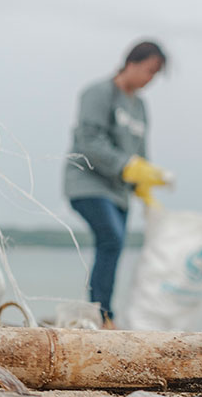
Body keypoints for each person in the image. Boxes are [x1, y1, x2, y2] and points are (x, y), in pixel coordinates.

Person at [63, 40, 171, 328]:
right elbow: (89, 141)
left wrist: (146, 181)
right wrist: (127, 166)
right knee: (111, 237)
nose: (151, 80)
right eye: (149, 71)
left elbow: (140, 151)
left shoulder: (140, 106)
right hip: (87, 184)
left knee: (114, 246)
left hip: (118, 192)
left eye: (156, 75)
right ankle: (102, 314)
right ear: (132, 63)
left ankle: (101, 312)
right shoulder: (98, 93)